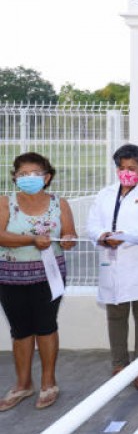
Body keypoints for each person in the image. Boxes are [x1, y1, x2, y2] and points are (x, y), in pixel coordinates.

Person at [0, 152, 76, 411]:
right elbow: (0, 236)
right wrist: (32, 240)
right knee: (20, 330)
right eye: (22, 174)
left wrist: (68, 239)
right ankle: (23, 384)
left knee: (46, 326)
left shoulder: (59, 203)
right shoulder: (5, 203)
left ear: (47, 177)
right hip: (10, 276)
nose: (28, 178)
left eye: (34, 173)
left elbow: (69, 234)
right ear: (14, 177)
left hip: (49, 276)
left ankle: (48, 383)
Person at [87, 143, 138, 391]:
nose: (126, 171)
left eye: (132, 167)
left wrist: (126, 236)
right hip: (112, 261)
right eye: (121, 167)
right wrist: (103, 234)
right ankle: (119, 365)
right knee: (116, 316)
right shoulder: (105, 193)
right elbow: (92, 222)